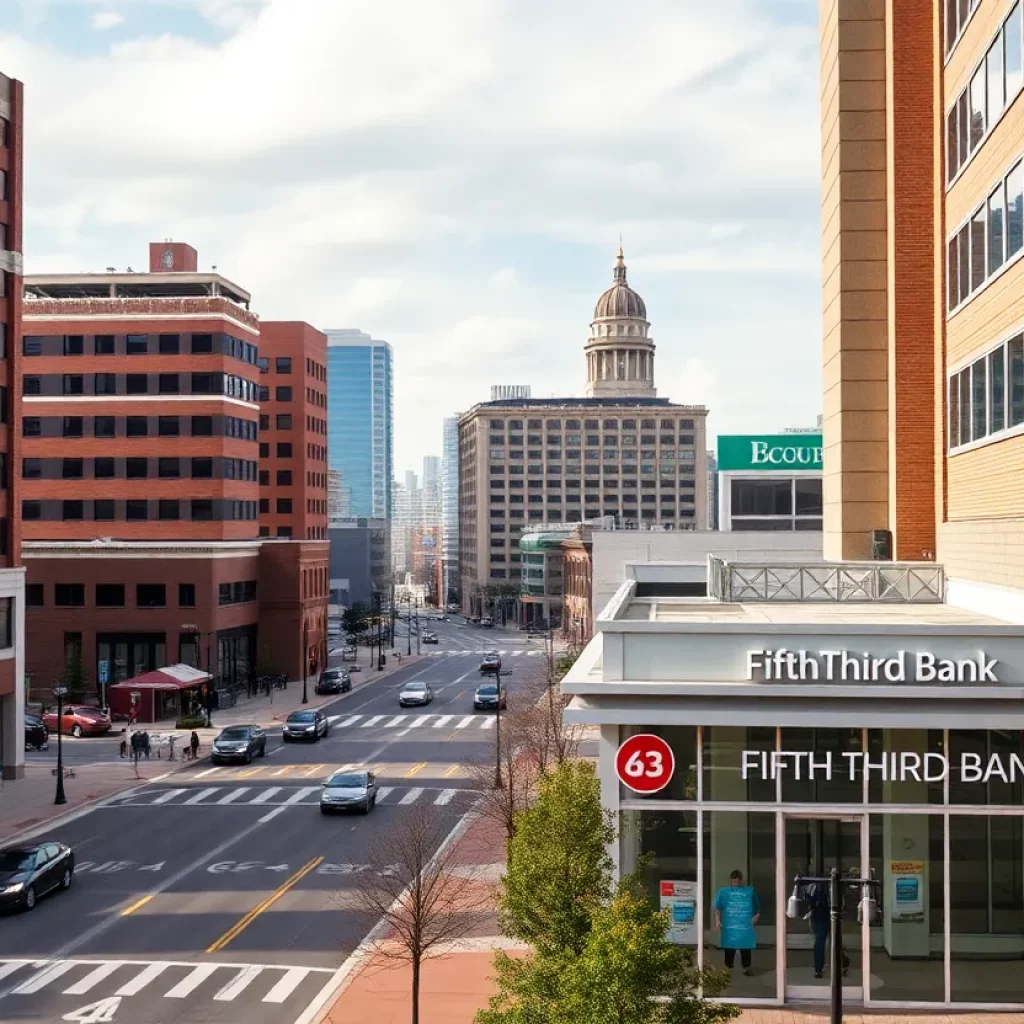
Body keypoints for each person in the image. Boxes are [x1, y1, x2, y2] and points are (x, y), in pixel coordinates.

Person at [714, 869, 760, 975]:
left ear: (741, 881)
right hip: (730, 923)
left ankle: (746, 967)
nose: (736, 884)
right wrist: (717, 921)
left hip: (745, 923)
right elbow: (717, 907)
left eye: (738, 882)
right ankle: (728, 967)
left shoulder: (749, 891)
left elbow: (757, 906)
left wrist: (756, 916)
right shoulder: (724, 892)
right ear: (730, 880)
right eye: (734, 882)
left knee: (745, 946)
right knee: (730, 945)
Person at [807, 879, 850, 979]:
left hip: (818, 917)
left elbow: (809, 901)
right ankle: (843, 964)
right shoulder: (835, 886)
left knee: (821, 942)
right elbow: (841, 903)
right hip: (829, 916)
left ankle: (819, 969)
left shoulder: (813, 885)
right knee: (834, 942)